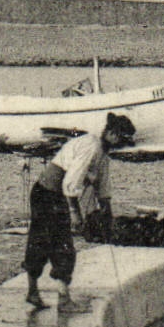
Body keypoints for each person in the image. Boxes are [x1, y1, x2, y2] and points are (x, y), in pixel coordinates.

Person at [24, 113, 136, 309]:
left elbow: (103, 185)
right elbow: (70, 183)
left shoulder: (103, 154)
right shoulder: (90, 146)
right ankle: (50, 296)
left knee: (59, 245)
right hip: (46, 194)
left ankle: (57, 296)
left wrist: (107, 213)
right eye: (121, 138)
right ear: (110, 133)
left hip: (57, 196)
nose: (122, 144)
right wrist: (75, 214)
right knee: (48, 242)